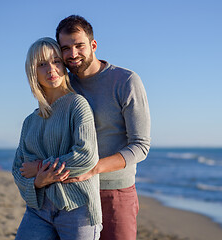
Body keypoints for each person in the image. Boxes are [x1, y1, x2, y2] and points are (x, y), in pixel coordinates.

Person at [56, 15, 151, 240]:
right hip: (73, 193)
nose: (73, 54)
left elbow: (141, 146)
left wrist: (94, 169)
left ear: (93, 45)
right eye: (66, 48)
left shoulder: (126, 81)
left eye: (79, 45)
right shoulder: (62, 85)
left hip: (115, 192)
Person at [12, 37, 102, 240]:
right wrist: (37, 182)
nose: (51, 69)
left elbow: (86, 156)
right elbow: (18, 168)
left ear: (63, 65)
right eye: (42, 64)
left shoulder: (77, 105)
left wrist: (40, 168)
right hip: (38, 209)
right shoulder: (29, 121)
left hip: (78, 208)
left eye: (56, 61)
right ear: (32, 71)